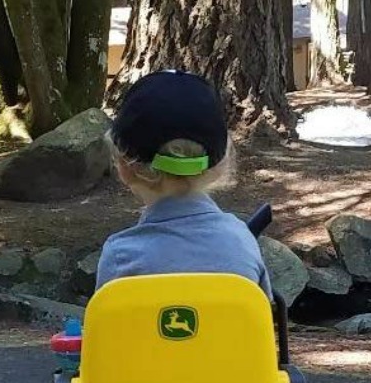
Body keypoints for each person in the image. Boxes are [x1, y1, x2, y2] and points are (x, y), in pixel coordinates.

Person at [96, 70, 273, 299]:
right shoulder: (242, 244)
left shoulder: (120, 256)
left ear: (124, 167)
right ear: (219, 164)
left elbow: (108, 332)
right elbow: (261, 325)